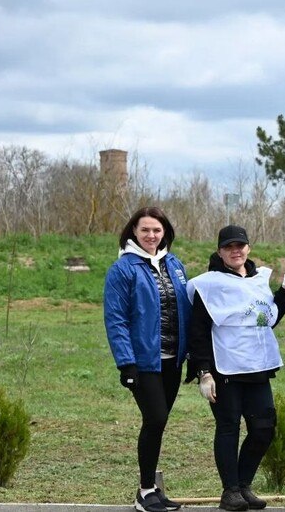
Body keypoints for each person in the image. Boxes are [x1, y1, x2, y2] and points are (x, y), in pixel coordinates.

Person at [186, 225, 285, 511]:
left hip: (257, 367)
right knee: (228, 427)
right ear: (220, 252)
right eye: (229, 247)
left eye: (240, 245)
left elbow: (268, 318)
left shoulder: (258, 280)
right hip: (224, 369)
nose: (235, 251)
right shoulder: (208, 285)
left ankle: (243, 484)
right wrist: (203, 372)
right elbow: (198, 331)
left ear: (248, 247)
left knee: (264, 428)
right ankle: (230, 491)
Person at [104, 207, 191, 512]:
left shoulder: (175, 265)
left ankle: (153, 489)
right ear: (134, 232)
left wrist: (192, 355)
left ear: (164, 232)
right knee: (155, 419)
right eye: (145, 230)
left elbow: (187, 309)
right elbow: (116, 319)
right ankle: (144, 491)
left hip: (173, 360)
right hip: (144, 362)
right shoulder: (122, 270)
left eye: (157, 230)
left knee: (158, 423)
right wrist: (126, 363)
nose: (151, 236)